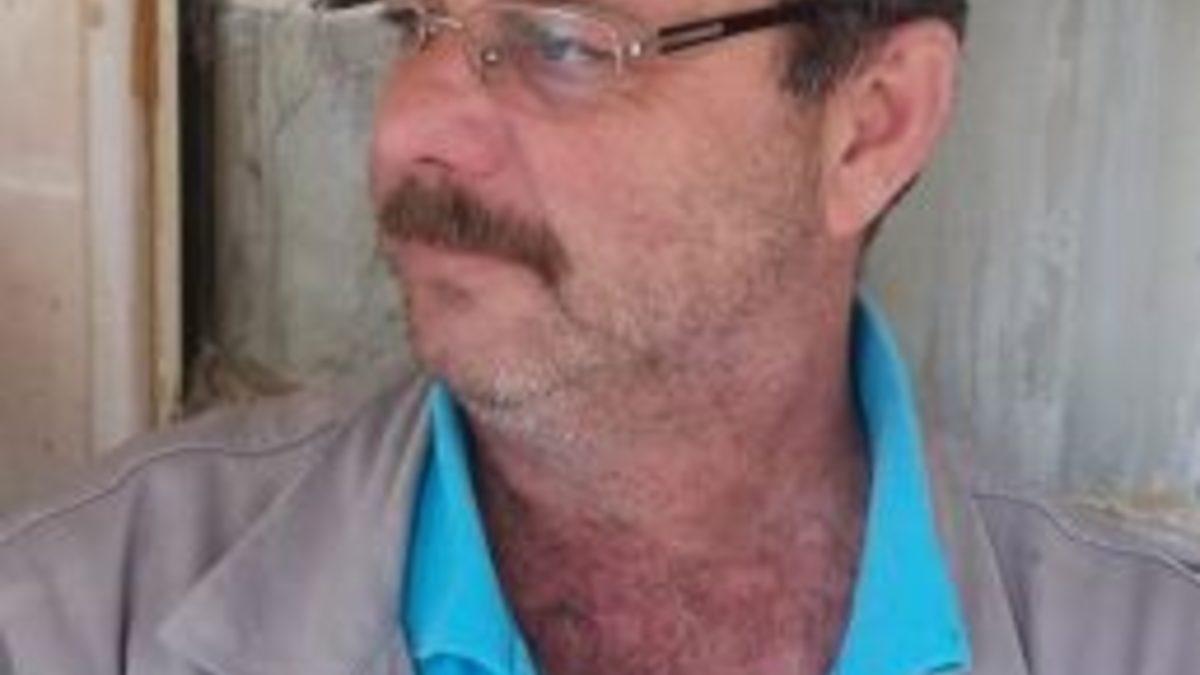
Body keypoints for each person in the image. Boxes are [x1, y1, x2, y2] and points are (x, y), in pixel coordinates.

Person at [2, 0, 1198, 673]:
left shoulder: (1146, 643)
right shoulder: (70, 620)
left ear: (871, 128)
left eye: (563, 44)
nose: (410, 129)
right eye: (413, 22)